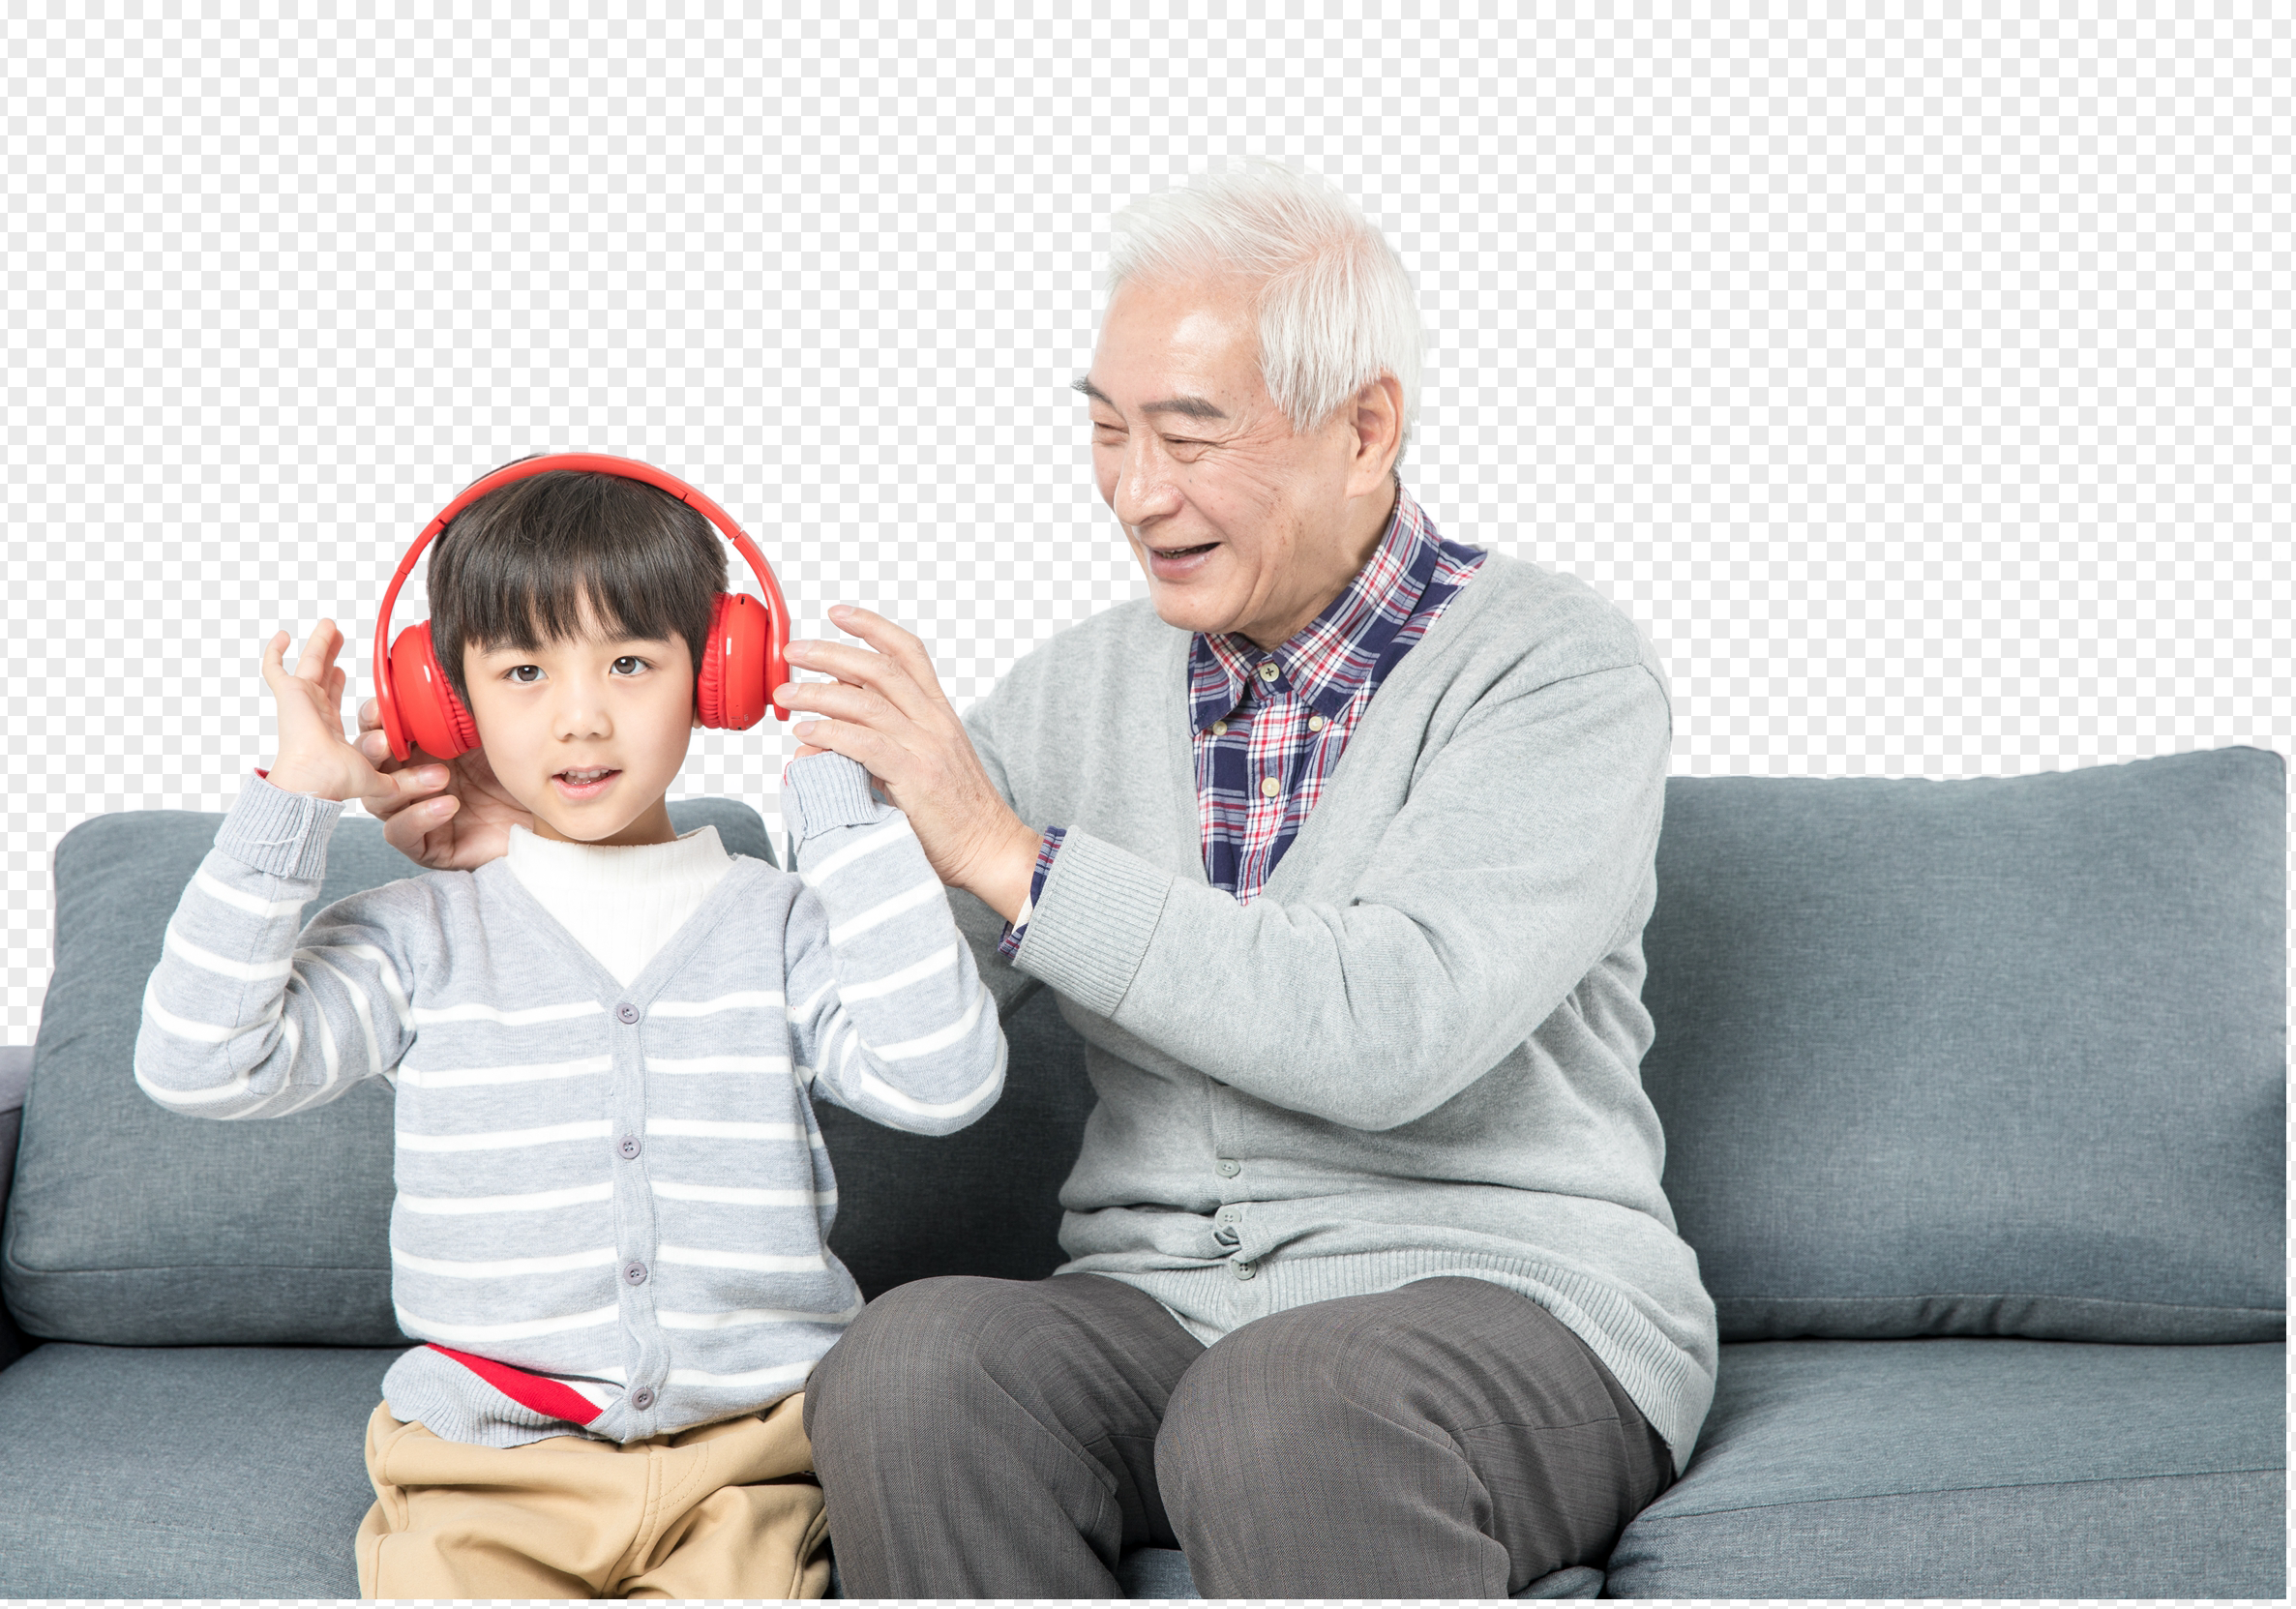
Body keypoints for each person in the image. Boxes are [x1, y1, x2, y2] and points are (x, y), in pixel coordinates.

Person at [361, 162, 1717, 1598]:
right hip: (1153, 1315)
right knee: (914, 1361)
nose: (1137, 491)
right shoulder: (1079, 683)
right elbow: (819, 976)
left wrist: (1009, 848)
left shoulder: (1555, 669)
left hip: (1501, 1303)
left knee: (1277, 1405)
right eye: (1108, 428)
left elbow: (1392, 1027)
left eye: (1189, 433)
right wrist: (536, 846)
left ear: (1365, 425)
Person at [134, 463, 1006, 1599]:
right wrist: (295, 795)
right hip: (482, 1473)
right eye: (524, 670)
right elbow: (201, 1060)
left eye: (632, 662)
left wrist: (838, 804)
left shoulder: (781, 921)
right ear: (449, 702)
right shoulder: (421, 936)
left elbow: (942, 1081)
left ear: (722, 675)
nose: (581, 715)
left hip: (747, 1471)